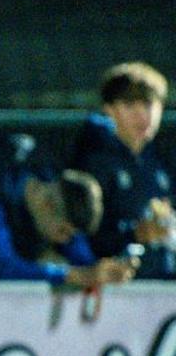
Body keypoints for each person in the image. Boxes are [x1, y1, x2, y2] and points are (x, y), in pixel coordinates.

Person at [0, 134, 136, 287]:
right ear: (46, 205)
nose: (65, 240)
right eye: (63, 231)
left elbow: (84, 262)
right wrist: (73, 275)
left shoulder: (57, 185)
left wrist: (107, 270)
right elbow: (6, 267)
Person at [71, 61, 175, 279]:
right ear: (109, 110)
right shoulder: (93, 162)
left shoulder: (160, 162)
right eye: (130, 106)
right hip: (116, 288)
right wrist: (136, 233)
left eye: (148, 105)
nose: (142, 116)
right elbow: (86, 236)